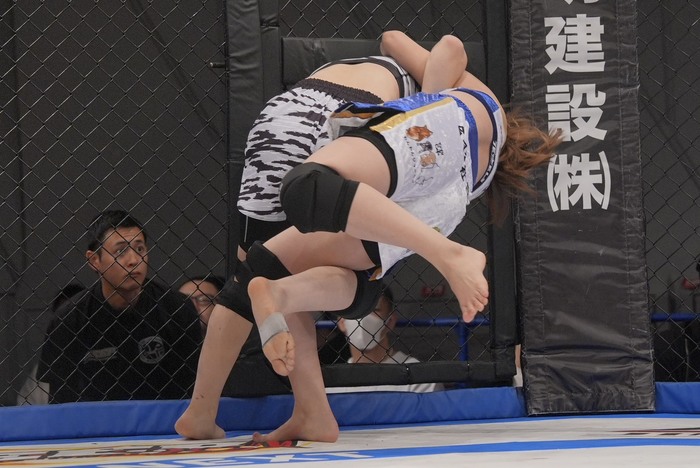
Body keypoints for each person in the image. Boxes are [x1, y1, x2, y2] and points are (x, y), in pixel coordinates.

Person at [176, 32, 560, 443]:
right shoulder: (473, 115)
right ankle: (446, 255)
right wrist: (422, 104)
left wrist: (419, 103)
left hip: (282, 124)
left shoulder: (432, 96)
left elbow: (399, 39)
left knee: (259, 273)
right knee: (350, 263)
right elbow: (448, 49)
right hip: (357, 133)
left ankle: (216, 412)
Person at [37, 210, 203, 403]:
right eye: (120, 252)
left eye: (139, 249)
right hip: (95, 419)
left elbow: (192, 388)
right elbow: (61, 400)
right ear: (94, 260)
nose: (133, 260)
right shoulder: (69, 319)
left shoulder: (177, 308)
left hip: (166, 417)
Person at [328, 287, 444, 393]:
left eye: (374, 310)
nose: (363, 319)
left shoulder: (420, 377)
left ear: (390, 321)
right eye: (355, 311)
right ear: (342, 322)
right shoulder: (331, 382)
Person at [17, 283, 85, 405]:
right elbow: (25, 408)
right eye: (64, 316)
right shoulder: (44, 369)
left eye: (76, 314)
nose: (70, 322)